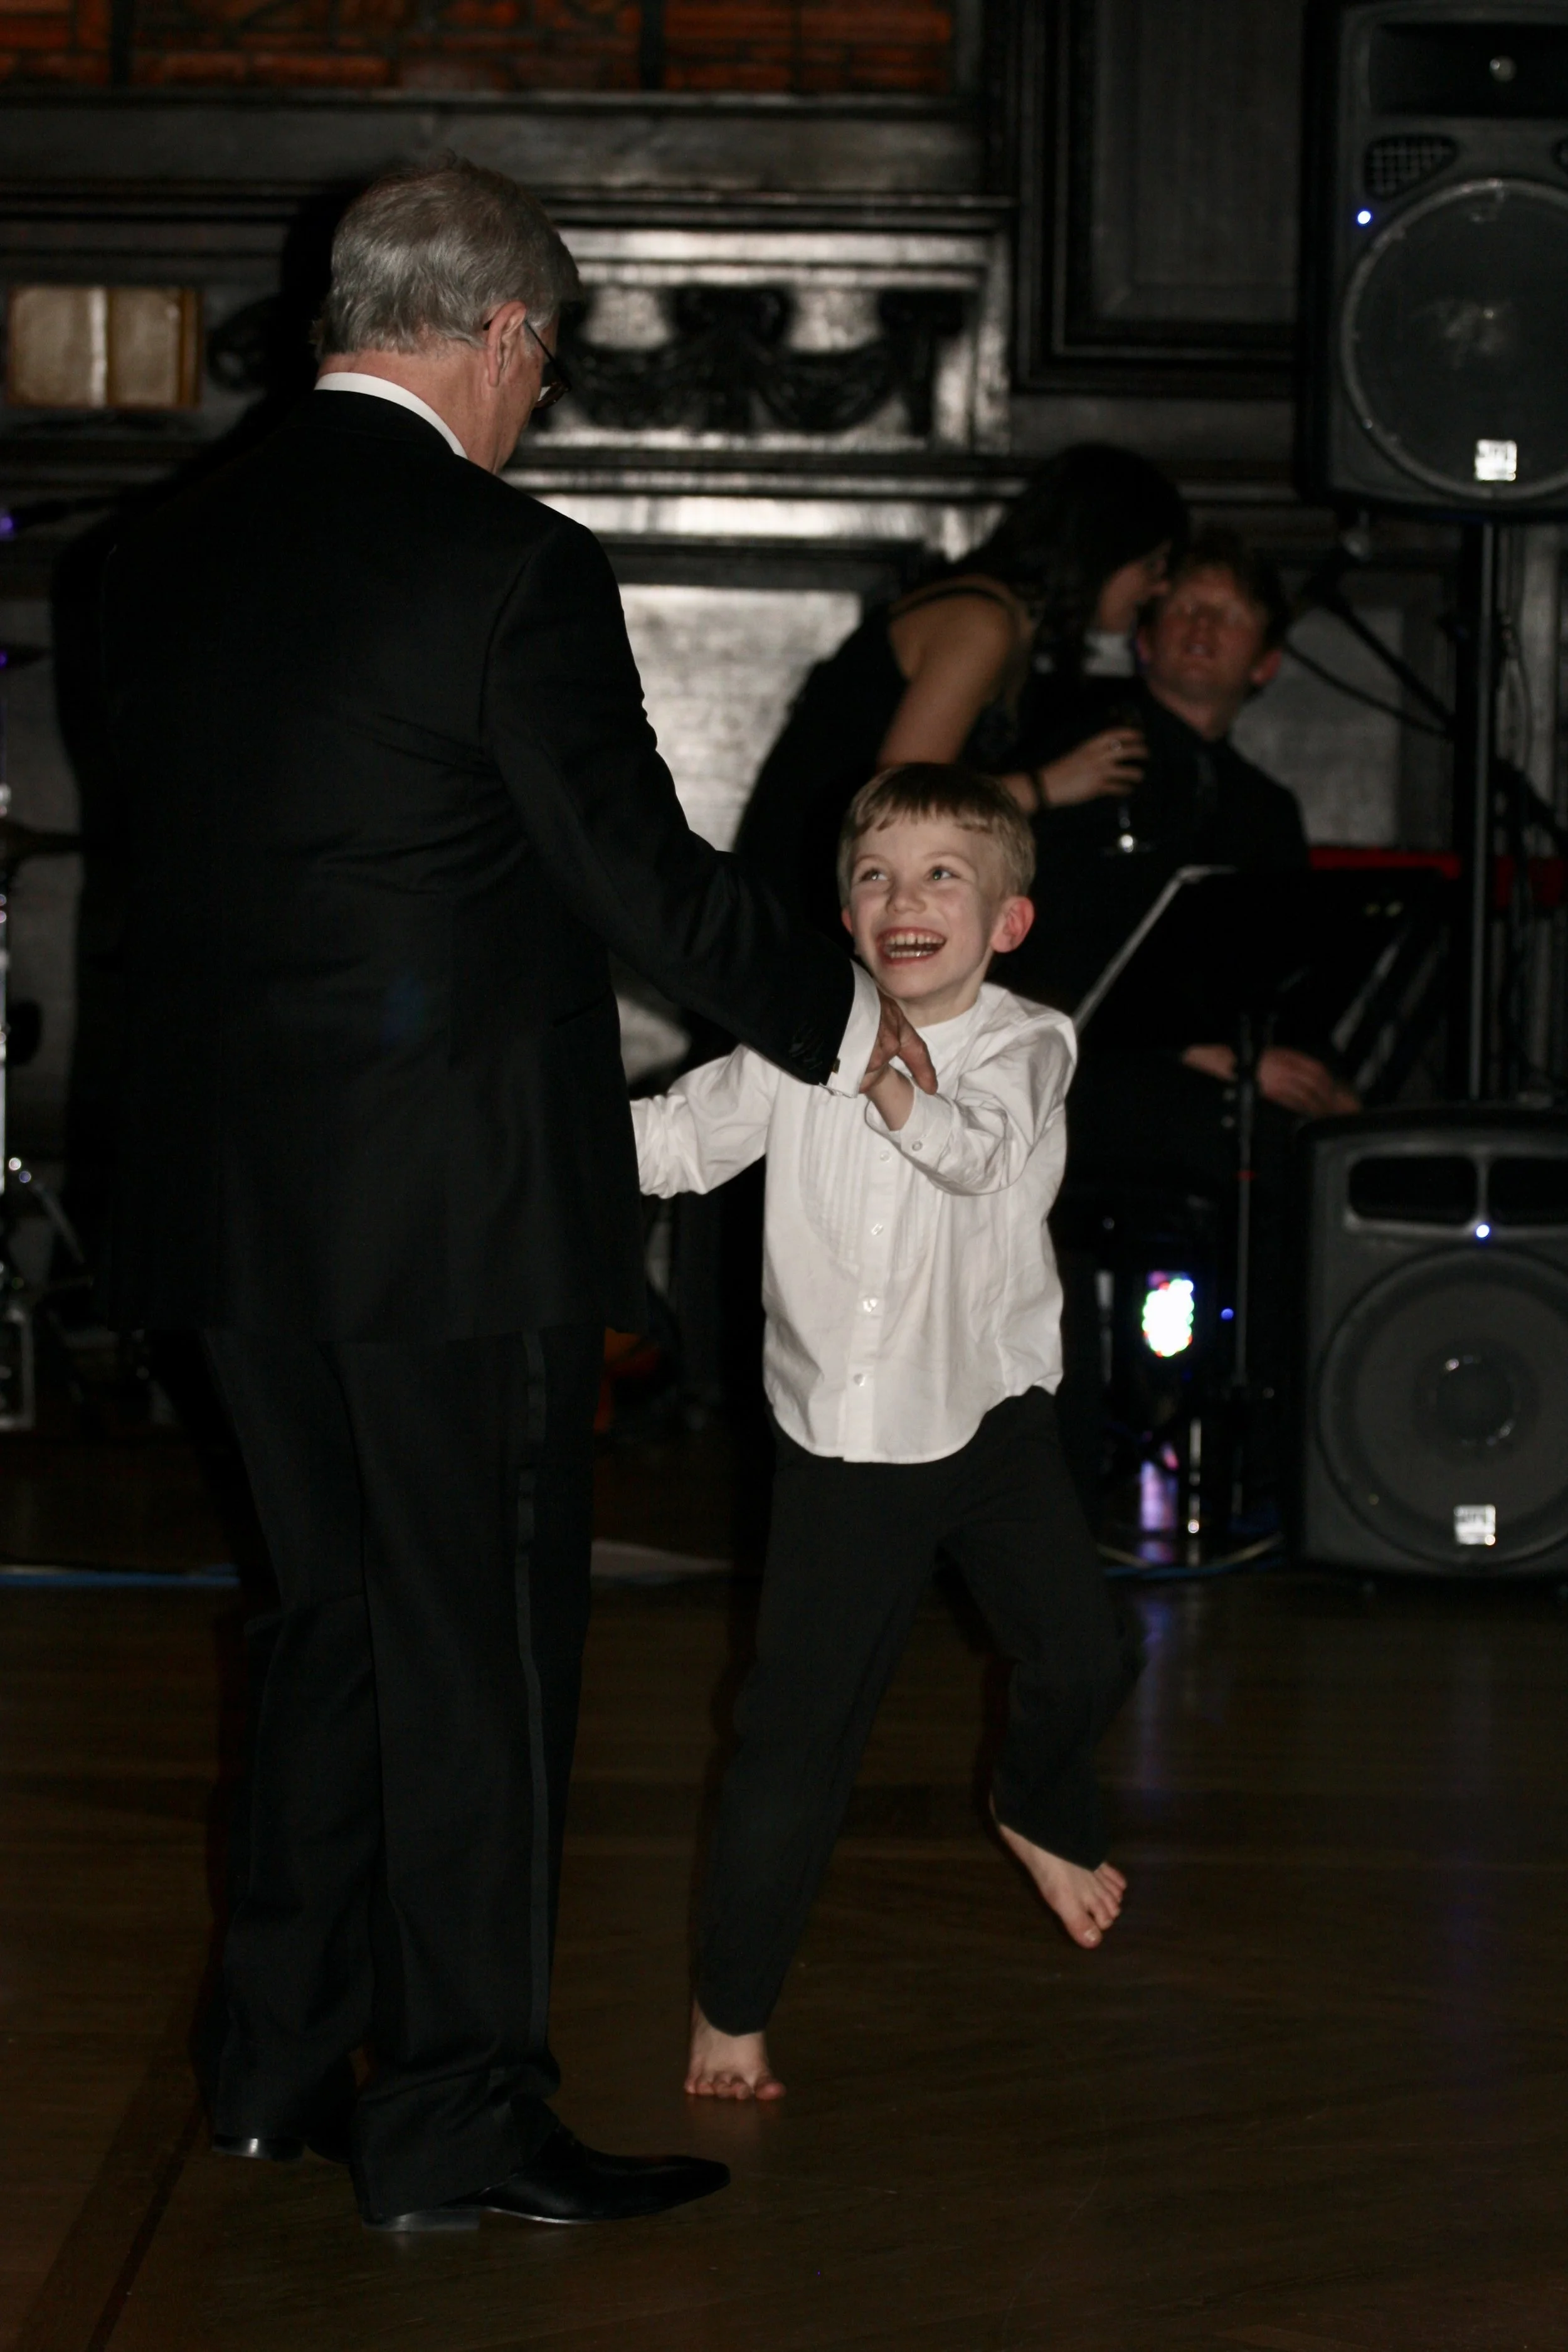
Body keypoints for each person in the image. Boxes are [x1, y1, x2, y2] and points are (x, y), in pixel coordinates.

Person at [100, 157, 933, 2235]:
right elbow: (632, 876)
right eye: (541, 364)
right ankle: (458, 2114)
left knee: (330, 1621)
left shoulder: (141, 559)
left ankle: (274, 2066)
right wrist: (851, 1019)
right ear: (497, 332)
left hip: (221, 1199)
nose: (535, 401)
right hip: (452, 1207)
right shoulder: (504, 563)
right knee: (472, 1652)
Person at [633, 765, 1141, 2102]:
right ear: (846, 914)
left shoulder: (1030, 1044)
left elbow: (976, 1152)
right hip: (842, 1450)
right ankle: (732, 2010)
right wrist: (521, 1129)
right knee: (791, 1745)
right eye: (875, 876)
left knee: (1086, 1653)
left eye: (941, 876)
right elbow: (675, 1144)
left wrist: (888, 1083)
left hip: (988, 1422)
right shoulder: (797, 1037)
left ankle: (1033, 1800)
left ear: (1006, 922)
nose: (903, 898)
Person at [993, 527, 1359, 1499]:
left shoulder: (1264, 807)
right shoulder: (1080, 749)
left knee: (1335, 1148)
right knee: (1266, 1149)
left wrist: (1328, 1080)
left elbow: (1286, 977)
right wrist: (1208, 1051)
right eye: (1186, 607)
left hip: (1206, 1074)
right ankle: (1262, 1466)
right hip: (1071, 1075)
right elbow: (1041, 955)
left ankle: (1311, 1458)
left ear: (1265, 661)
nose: (1203, 626)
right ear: (1145, 637)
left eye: (1229, 616)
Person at [735, 445, 1187, 944]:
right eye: (1152, 565)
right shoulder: (982, 623)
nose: (1160, 588)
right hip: (801, 917)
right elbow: (902, 804)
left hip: (825, 901)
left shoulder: (1006, 621)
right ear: (1104, 552)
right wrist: (1049, 786)